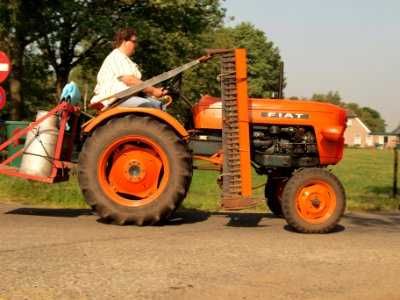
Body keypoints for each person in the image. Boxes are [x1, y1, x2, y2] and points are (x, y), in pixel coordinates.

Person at [91, 27, 166, 110]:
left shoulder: (126, 61)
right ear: (124, 42)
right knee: (148, 107)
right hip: (114, 101)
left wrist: (155, 91)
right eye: (134, 41)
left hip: (126, 98)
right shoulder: (116, 56)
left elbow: (136, 87)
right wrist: (153, 91)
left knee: (160, 106)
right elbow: (129, 80)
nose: (136, 44)